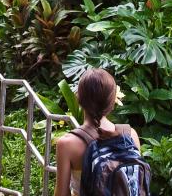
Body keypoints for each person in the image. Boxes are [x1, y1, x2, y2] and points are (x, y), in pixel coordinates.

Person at [55, 68, 151, 196]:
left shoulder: (67, 144)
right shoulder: (130, 135)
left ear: (78, 98)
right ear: (112, 102)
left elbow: (61, 193)